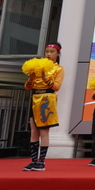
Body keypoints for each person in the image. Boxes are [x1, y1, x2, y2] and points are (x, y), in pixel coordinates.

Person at [24, 43, 64, 172]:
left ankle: (41, 162)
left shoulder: (59, 69)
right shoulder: (38, 67)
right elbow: (27, 87)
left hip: (47, 100)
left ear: (58, 54)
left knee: (44, 132)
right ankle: (33, 161)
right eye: (47, 51)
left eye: (52, 51)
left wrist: (45, 79)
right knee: (34, 131)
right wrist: (31, 78)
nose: (48, 54)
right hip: (35, 98)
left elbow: (57, 87)